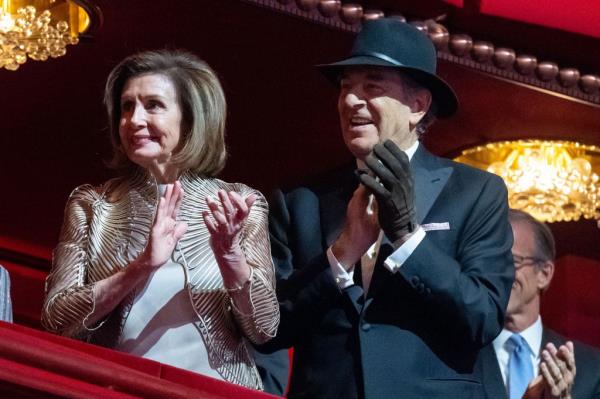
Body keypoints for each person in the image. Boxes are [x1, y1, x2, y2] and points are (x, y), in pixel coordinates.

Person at [256, 18, 514, 398]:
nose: (350, 101)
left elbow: (484, 316)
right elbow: (268, 328)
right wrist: (343, 253)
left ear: (418, 105)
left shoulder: (475, 193)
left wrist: (408, 239)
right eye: (345, 87)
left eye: (372, 86)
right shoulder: (300, 201)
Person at [41, 49, 279, 390]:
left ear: (192, 118)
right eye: (126, 107)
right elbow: (56, 320)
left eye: (153, 105)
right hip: (116, 389)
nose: (134, 120)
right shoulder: (92, 204)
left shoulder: (240, 203)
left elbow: (265, 327)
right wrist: (141, 266)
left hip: (214, 393)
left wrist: (230, 256)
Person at [477, 209, 600, 399]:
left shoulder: (592, 367)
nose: (499, 274)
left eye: (512, 261)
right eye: (491, 262)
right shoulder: (459, 360)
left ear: (544, 274)